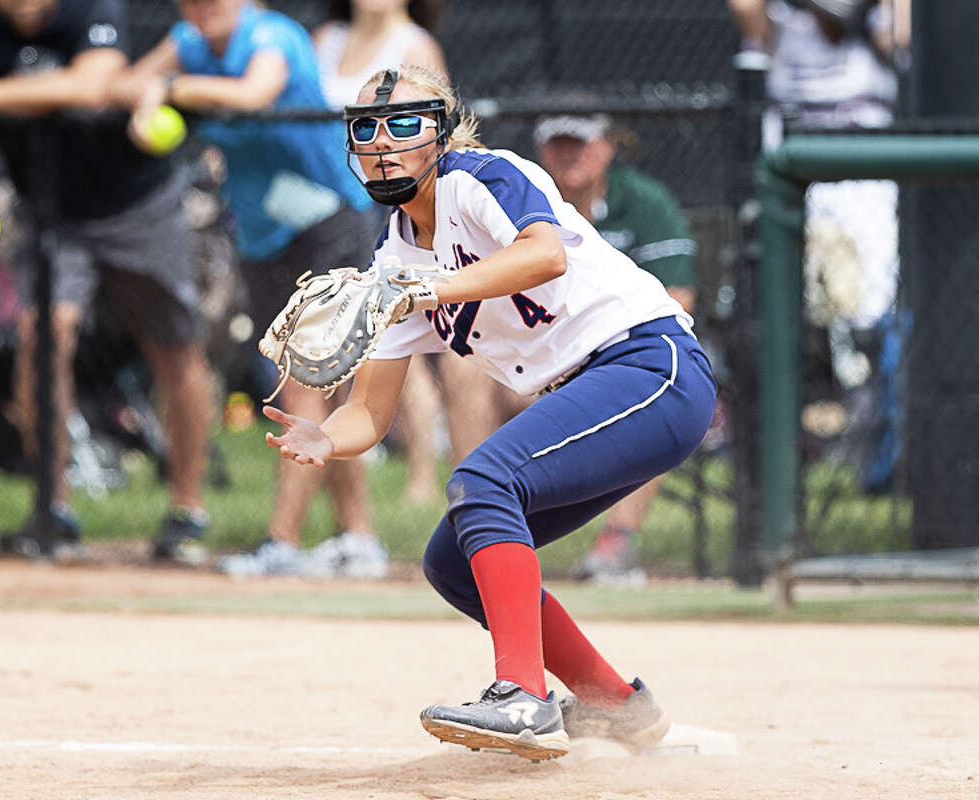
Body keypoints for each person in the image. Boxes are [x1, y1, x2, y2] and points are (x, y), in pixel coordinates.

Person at [263, 67, 716, 760]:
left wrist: (423, 289)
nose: (382, 143)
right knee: (451, 560)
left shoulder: (478, 177)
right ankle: (613, 704)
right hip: (590, 388)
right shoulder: (394, 261)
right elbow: (370, 412)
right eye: (365, 128)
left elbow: (544, 254)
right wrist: (326, 438)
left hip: (653, 367)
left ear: (441, 134)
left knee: (486, 479)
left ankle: (523, 699)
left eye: (404, 124)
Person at [0, 0, 215, 565]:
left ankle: (187, 510)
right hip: (51, 213)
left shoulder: (92, 6)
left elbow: (93, 84)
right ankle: (52, 509)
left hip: (137, 205)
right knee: (42, 335)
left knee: (175, 350)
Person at [112, 0, 385, 578]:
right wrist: (146, 97)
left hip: (328, 221)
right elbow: (127, 83)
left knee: (306, 381)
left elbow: (254, 93)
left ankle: (282, 543)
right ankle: (358, 539)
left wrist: (168, 87)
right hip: (266, 236)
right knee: (320, 387)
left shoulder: (272, 36)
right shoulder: (187, 40)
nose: (202, 6)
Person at [728, 0, 910, 489]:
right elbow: (746, 11)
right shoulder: (782, 14)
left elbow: (902, 37)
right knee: (788, 302)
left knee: (869, 306)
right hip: (792, 146)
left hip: (861, 146)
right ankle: (797, 437)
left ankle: (871, 433)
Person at [535, 114, 699, 584]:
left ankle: (617, 544)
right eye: (558, 144)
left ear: (607, 147)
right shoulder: (525, 203)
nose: (569, 154)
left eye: (580, 143)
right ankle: (487, 530)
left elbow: (678, 301)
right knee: (465, 373)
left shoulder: (644, 202)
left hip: (622, 355)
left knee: (655, 387)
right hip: (544, 360)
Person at [313, 0, 463, 505]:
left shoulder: (416, 44)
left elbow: (437, 141)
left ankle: (422, 475)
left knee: (401, 341)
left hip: (385, 214)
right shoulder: (325, 40)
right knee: (358, 341)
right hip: (323, 213)